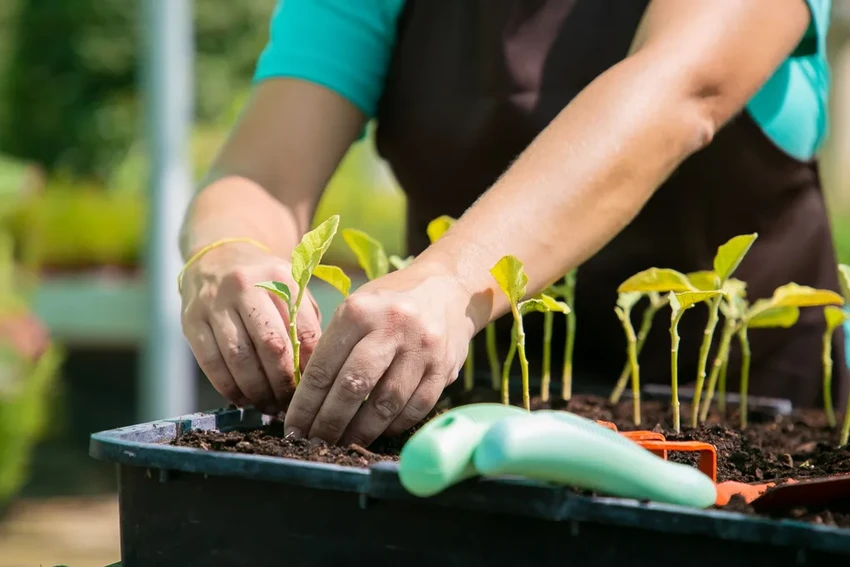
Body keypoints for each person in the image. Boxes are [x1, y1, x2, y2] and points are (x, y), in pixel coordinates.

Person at [179, 0, 847, 447]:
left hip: (747, 430)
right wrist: (227, 248)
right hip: (464, 431)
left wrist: (449, 280)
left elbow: (680, 88)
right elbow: (264, 174)